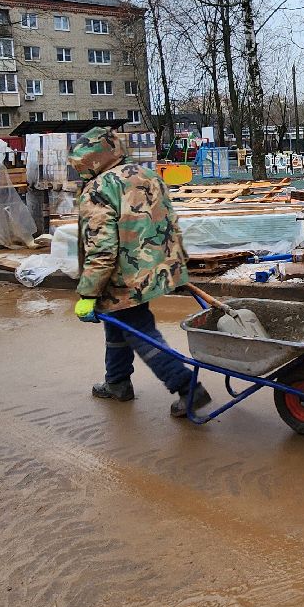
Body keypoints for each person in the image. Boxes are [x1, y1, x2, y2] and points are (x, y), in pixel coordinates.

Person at [68, 126, 212, 415]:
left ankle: (187, 387)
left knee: (140, 331)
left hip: (126, 277)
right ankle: (117, 382)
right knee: (117, 322)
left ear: (90, 159)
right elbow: (170, 221)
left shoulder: (98, 189)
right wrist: (177, 264)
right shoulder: (147, 175)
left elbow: (102, 247)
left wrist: (88, 293)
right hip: (157, 267)